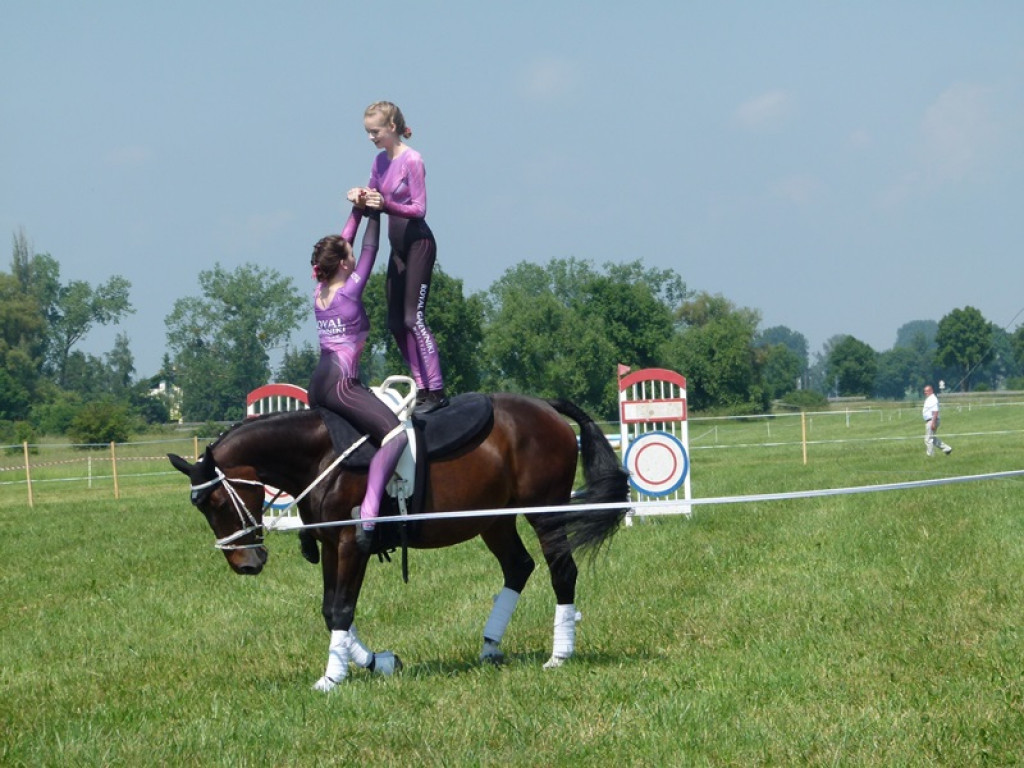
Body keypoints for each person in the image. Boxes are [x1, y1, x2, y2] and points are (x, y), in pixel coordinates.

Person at [307, 211, 408, 553]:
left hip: (317, 383)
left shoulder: (319, 290)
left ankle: (310, 524)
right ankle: (369, 514)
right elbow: (369, 246)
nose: (353, 255)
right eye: (347, 255)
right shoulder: (349, 291)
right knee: (395, 436)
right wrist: (375, 212)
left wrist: (357, 211)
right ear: (344, 265)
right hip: (341, 385)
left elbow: (341, 244)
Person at [341, 100, 448, 415]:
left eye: (374, 132)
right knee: (395, 323)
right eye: (367, 132)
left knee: (413, 318)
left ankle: (437, 389)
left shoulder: (412, 160)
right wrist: (360, 198)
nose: (371, 138)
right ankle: (421, 386)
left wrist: (384, 203)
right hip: (397, 249)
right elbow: (372, 198)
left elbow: (419, 208)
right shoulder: (379, 162)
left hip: (418, 243)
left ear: (391, 128)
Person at [922, 384, 952, 457]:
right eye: (925, 391)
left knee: (928, 439)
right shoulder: (929, 399)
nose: (925, 392)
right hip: (930, 420)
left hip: (932, 420)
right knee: (931, 438)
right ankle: (947, 448)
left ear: (931, 391)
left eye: (927, 391)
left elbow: (935, 411)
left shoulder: (933, 399)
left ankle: (931, 455)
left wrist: (933, 422)